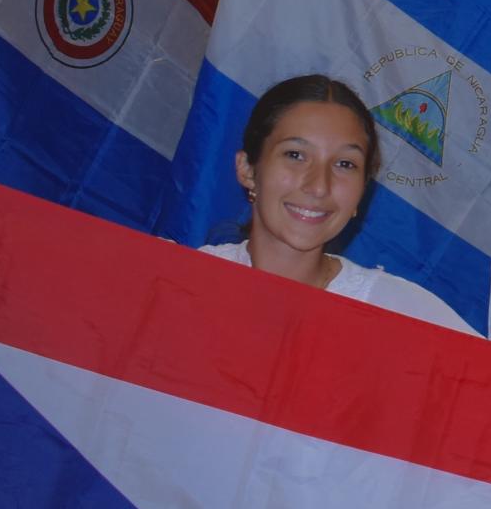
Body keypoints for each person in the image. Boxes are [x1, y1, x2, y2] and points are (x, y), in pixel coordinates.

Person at [200, 74, 475, 334]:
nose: (319, 186)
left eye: (345, 164)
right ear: (247, 169)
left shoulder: (400, 314)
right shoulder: (180, 283)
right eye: (295, 155)